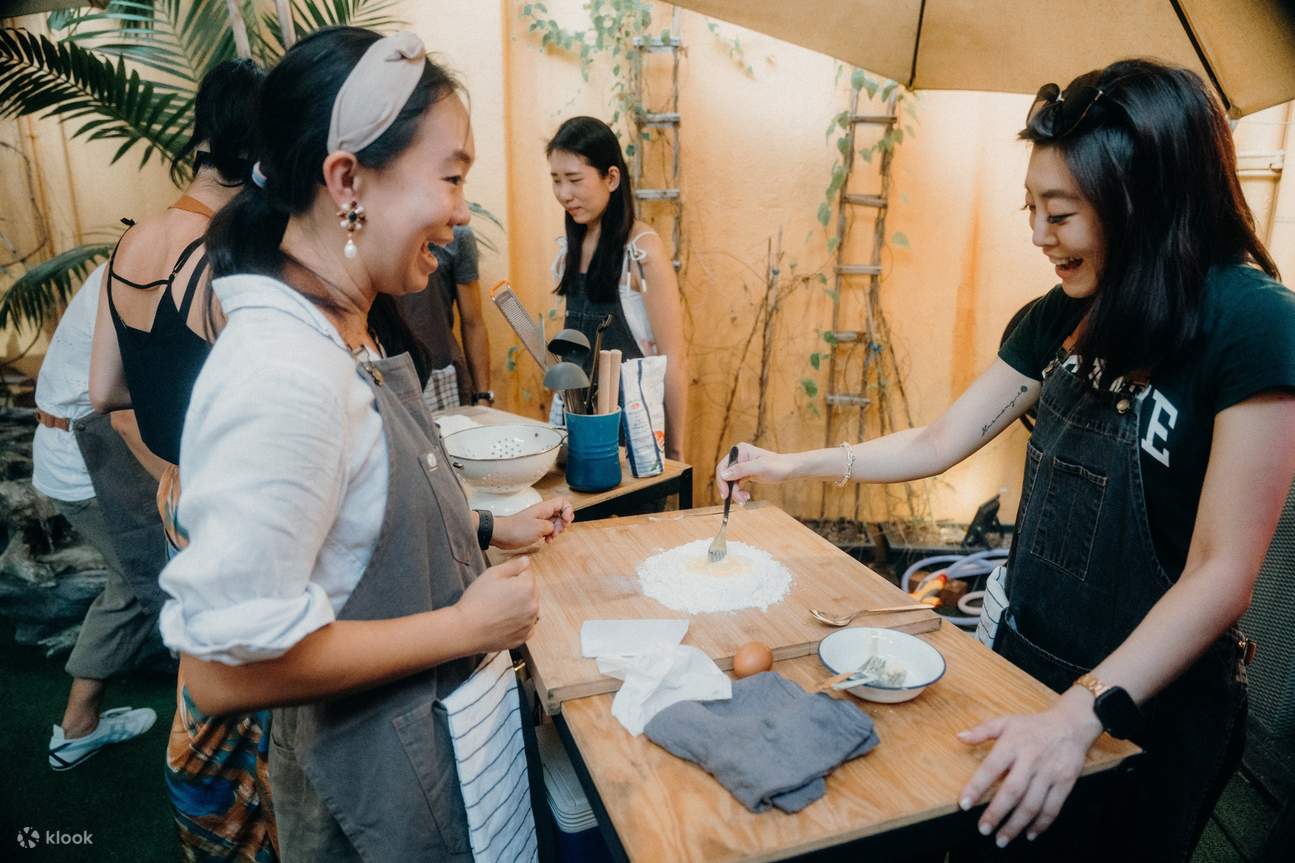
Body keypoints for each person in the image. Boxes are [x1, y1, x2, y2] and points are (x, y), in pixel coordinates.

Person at [716, 58, 1295, 861]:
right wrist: (790, 465)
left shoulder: (1251, 323)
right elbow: (936, 441)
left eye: (1059, 212)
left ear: (1143, 200)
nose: (1036, 236)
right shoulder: (1059, 319)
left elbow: (1222, 570)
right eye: (1031, 209)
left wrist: (1079, 711)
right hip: (1025, 669)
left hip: (1144, 711)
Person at [161, 27, 573, 861]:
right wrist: (464, 625)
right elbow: (221, 672)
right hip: (371, 800)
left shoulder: (339, 333)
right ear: (347, 179)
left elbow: (346, 535)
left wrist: (486, 532)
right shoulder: (283, 372)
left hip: (429, 757)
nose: (462, 210)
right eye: (452, 176)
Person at [87, 59, 279, 862]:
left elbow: (103, 391)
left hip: (178, 497)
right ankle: (230, 833)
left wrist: (168, 462)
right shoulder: (217, 258)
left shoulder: (134, 243)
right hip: (228, 506)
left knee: (208, 670)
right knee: (240, 689)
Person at [33, 263, 165, 771]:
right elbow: (122, 408)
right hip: (88, 456)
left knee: (131, 585)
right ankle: (78, 728)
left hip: (86, 446)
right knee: (155, 582)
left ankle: (78, 727)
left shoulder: (148, 255)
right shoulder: (152, 273)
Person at [547, 115, 688, 459]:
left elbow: (674, 360)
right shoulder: (570, 249)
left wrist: (675, 451)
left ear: (611, 178)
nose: (564, 194)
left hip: (633, 429)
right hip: (574, 420)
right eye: (556, 180)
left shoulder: (641, 251)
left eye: (575, 180)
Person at [394, 224, 494, 411]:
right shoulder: (376, 239)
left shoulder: (457, 237)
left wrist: (483, 396)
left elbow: (473, 322)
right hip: (391, 377)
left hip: (441, 375)